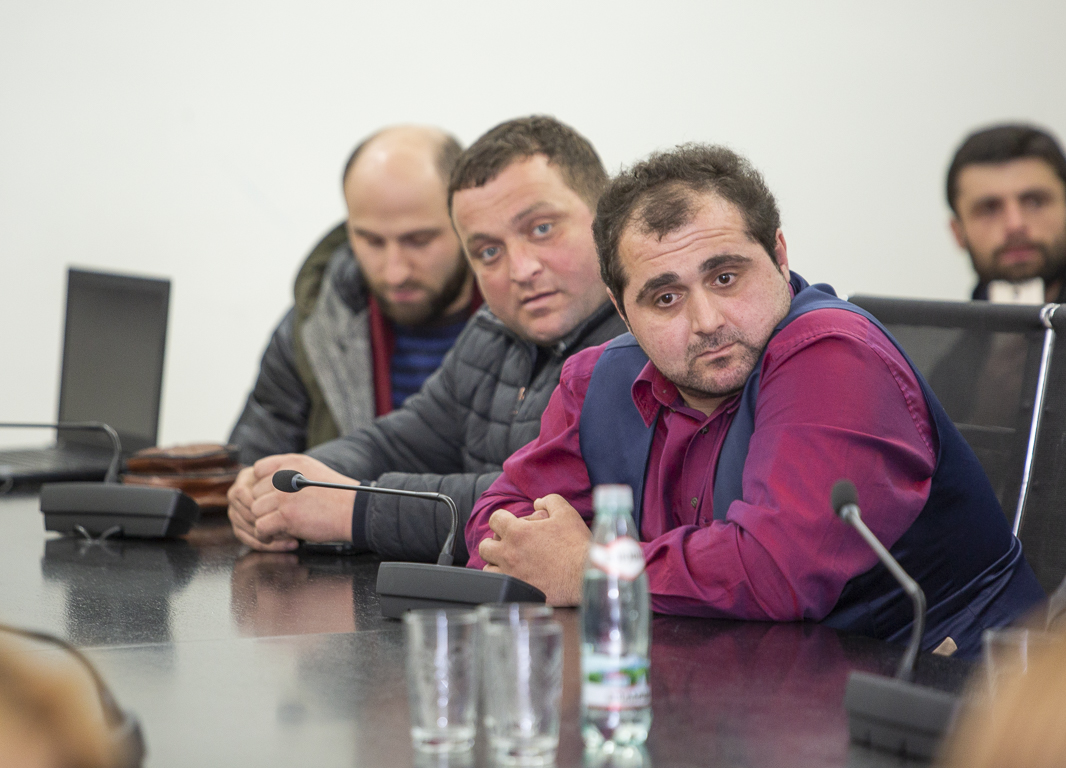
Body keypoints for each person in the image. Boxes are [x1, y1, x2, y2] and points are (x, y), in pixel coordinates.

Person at [467, 144, 1044, 656]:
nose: (707, 321)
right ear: (621, 309)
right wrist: (542, 554)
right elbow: (503, 525)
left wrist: (594, 570)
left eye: (725, 278)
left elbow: (777, 571)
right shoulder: (597, 378)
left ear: (779, 255)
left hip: (950, 694)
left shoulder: (835, 355)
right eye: (665, 298)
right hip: (733, 690)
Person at [226, 116, 627, 563]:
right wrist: (283, 481)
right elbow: (398, 442)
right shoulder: (492, 331)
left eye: (541, 229)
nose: (521, 269)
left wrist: (353, 508)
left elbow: (540, 504)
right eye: (489, 251)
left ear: (606, 217)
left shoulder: (641, 346)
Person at [229, 126, 479, 465]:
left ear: (467, 220)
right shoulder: (312, 329)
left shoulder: (530, 321)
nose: (395, 272)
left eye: (419, 241)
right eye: (372, 241)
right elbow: (251, 465)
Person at [947, 124, 1066, 304]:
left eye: (1035, 202)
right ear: (957, 232)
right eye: (989, 209)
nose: (1015, 225)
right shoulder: (930, 323)